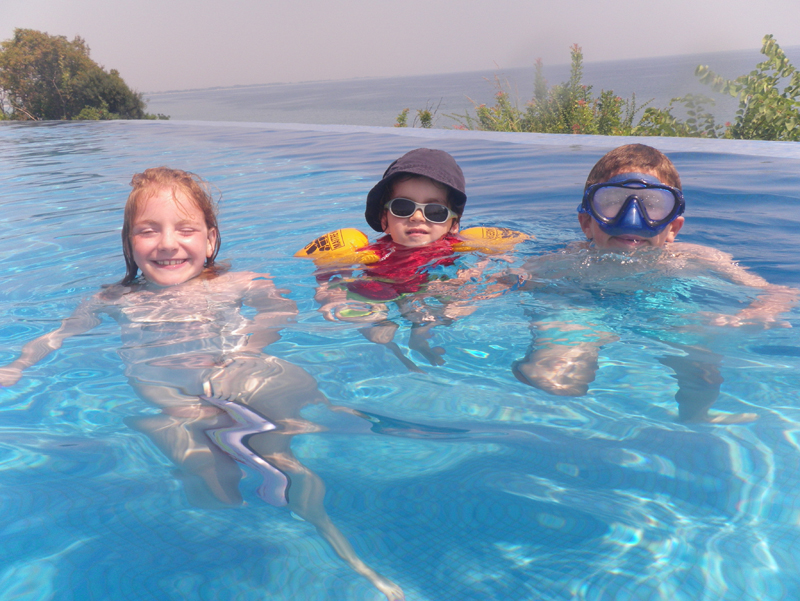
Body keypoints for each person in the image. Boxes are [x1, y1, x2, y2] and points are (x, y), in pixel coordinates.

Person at [0, 167, 404, 600]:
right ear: (129, 243)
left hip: (241, 380)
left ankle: (339, 546)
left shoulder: (238, 283)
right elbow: (60, 334)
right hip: (174, 399)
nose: (167, 243)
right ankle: (241, 561)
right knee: (210, 485)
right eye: (148, 230)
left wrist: (246, 350)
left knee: (282, 458)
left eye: (185, 229)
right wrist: (18, 365)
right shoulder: (113, 299)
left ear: (210, 240)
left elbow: (279, 311)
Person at [513, 144, 798, 423]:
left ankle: (696, 414)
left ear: (673, 228)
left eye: (653, 206)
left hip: (660, 312)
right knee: (557, 377)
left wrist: (756, 313)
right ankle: (538, 418)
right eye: (613, 202)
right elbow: (507, 280)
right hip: (580, 307)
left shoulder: (697, 257)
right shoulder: (564, 260)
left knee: (702, 360)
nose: (632, 218)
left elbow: (779, 291)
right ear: (587, 222)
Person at [314, 148, 495, 371]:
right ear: (385, 220)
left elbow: (486, 265)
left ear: (453, 224)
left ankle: (420, 335)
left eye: (435, 211)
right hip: (381, 287)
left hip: (431, 287)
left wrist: (477, 272)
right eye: (403, 207)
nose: (417, 217)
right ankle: (392, 347)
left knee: (452, 306)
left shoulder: (455, 249)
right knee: (377, 331)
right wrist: (329, 292)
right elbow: (330, 274)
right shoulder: (374, 253)